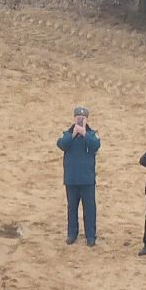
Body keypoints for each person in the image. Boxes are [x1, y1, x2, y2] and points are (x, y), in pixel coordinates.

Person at [57, 106, 101, 247]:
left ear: (87, 119)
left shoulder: (92, 134)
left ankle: (90, 236)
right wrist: (73, 134)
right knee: (72, 207)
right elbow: (61, 144)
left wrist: (85, 134)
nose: (80, 120)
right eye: (78, 117)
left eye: (82, 118)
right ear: (74, 118)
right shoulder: (67, 133)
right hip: (71, 178)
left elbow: (95, 145)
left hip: (87, 179)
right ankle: (72, 234)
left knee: (89, 208)